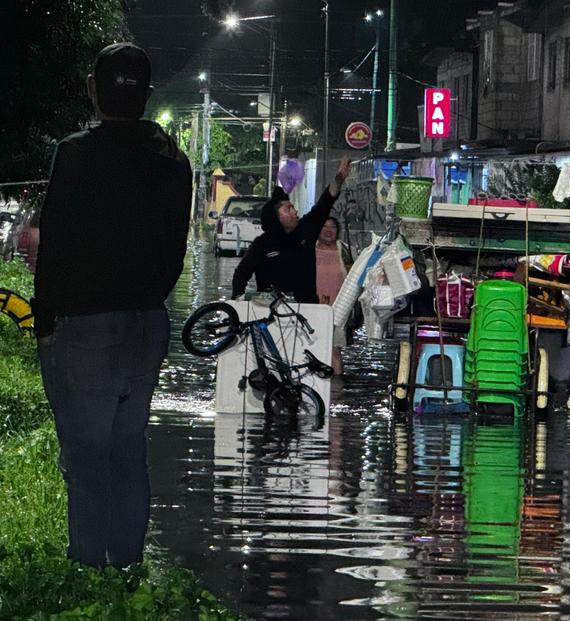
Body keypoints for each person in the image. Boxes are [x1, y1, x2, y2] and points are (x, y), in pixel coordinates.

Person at [33, 43, 192, 568]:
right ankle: (126, 570)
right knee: (128, 455)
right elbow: (174, 250)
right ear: (146, 96)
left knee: (86, 460)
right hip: (146, 322)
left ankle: (89, 571)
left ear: (91, 89)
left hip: (84, 324)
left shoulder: (76, 152)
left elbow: (54, 245)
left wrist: (45, 324)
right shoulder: (174, 161)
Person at [231, 157, 351, 302]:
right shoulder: (261, 244)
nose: (294, 212)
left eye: (293, 207)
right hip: (270, 310)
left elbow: (325, 203)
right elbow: (241, 274)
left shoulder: (305, 230)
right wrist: (238, 300)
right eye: (288, 209)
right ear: (276, 217)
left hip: (306, 309)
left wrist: (339, 178)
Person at [316, 216, 352, 375]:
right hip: (313, 307)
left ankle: (336, 387)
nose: (328, 230)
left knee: (335, 350)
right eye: (324, 226)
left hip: (338, 309)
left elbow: (353, 278)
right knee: (312, 346)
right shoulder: (309, 248)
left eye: (332, 227)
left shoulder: (343, 251)